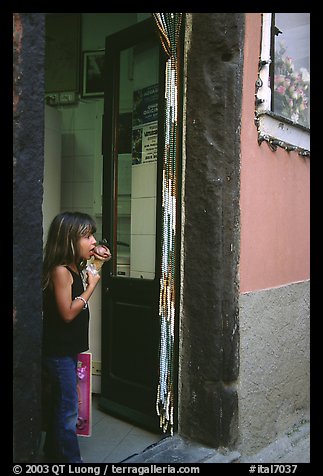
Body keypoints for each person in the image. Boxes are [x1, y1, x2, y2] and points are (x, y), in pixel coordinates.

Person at [41, 211, 111, 463]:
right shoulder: (60, 270)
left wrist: (100, 257)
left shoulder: (74, 265)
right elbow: (68, 313)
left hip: (67, 350)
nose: (93, 241)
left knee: (61, 406)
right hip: (58, 353)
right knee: (68, 411)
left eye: (93, 235)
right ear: (69, 239)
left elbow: (96, 259)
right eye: (87, 236)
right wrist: (92, 287)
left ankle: (51, 455)